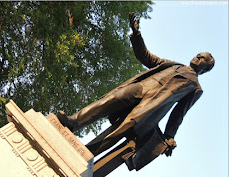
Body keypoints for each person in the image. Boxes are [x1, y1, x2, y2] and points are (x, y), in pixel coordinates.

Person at [57, 13, 215, 158]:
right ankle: (73, 122)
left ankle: (86, 153)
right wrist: (137, 34)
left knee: (119, 130)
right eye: (198, 54)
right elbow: (146, 57)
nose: (197, 57)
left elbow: (178, 113)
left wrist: (169, 136)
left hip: (151, 105)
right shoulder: (175, 65)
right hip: (141, 87)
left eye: (201, 58)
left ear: (205, 69)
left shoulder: (195, 88)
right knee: (109, 100)